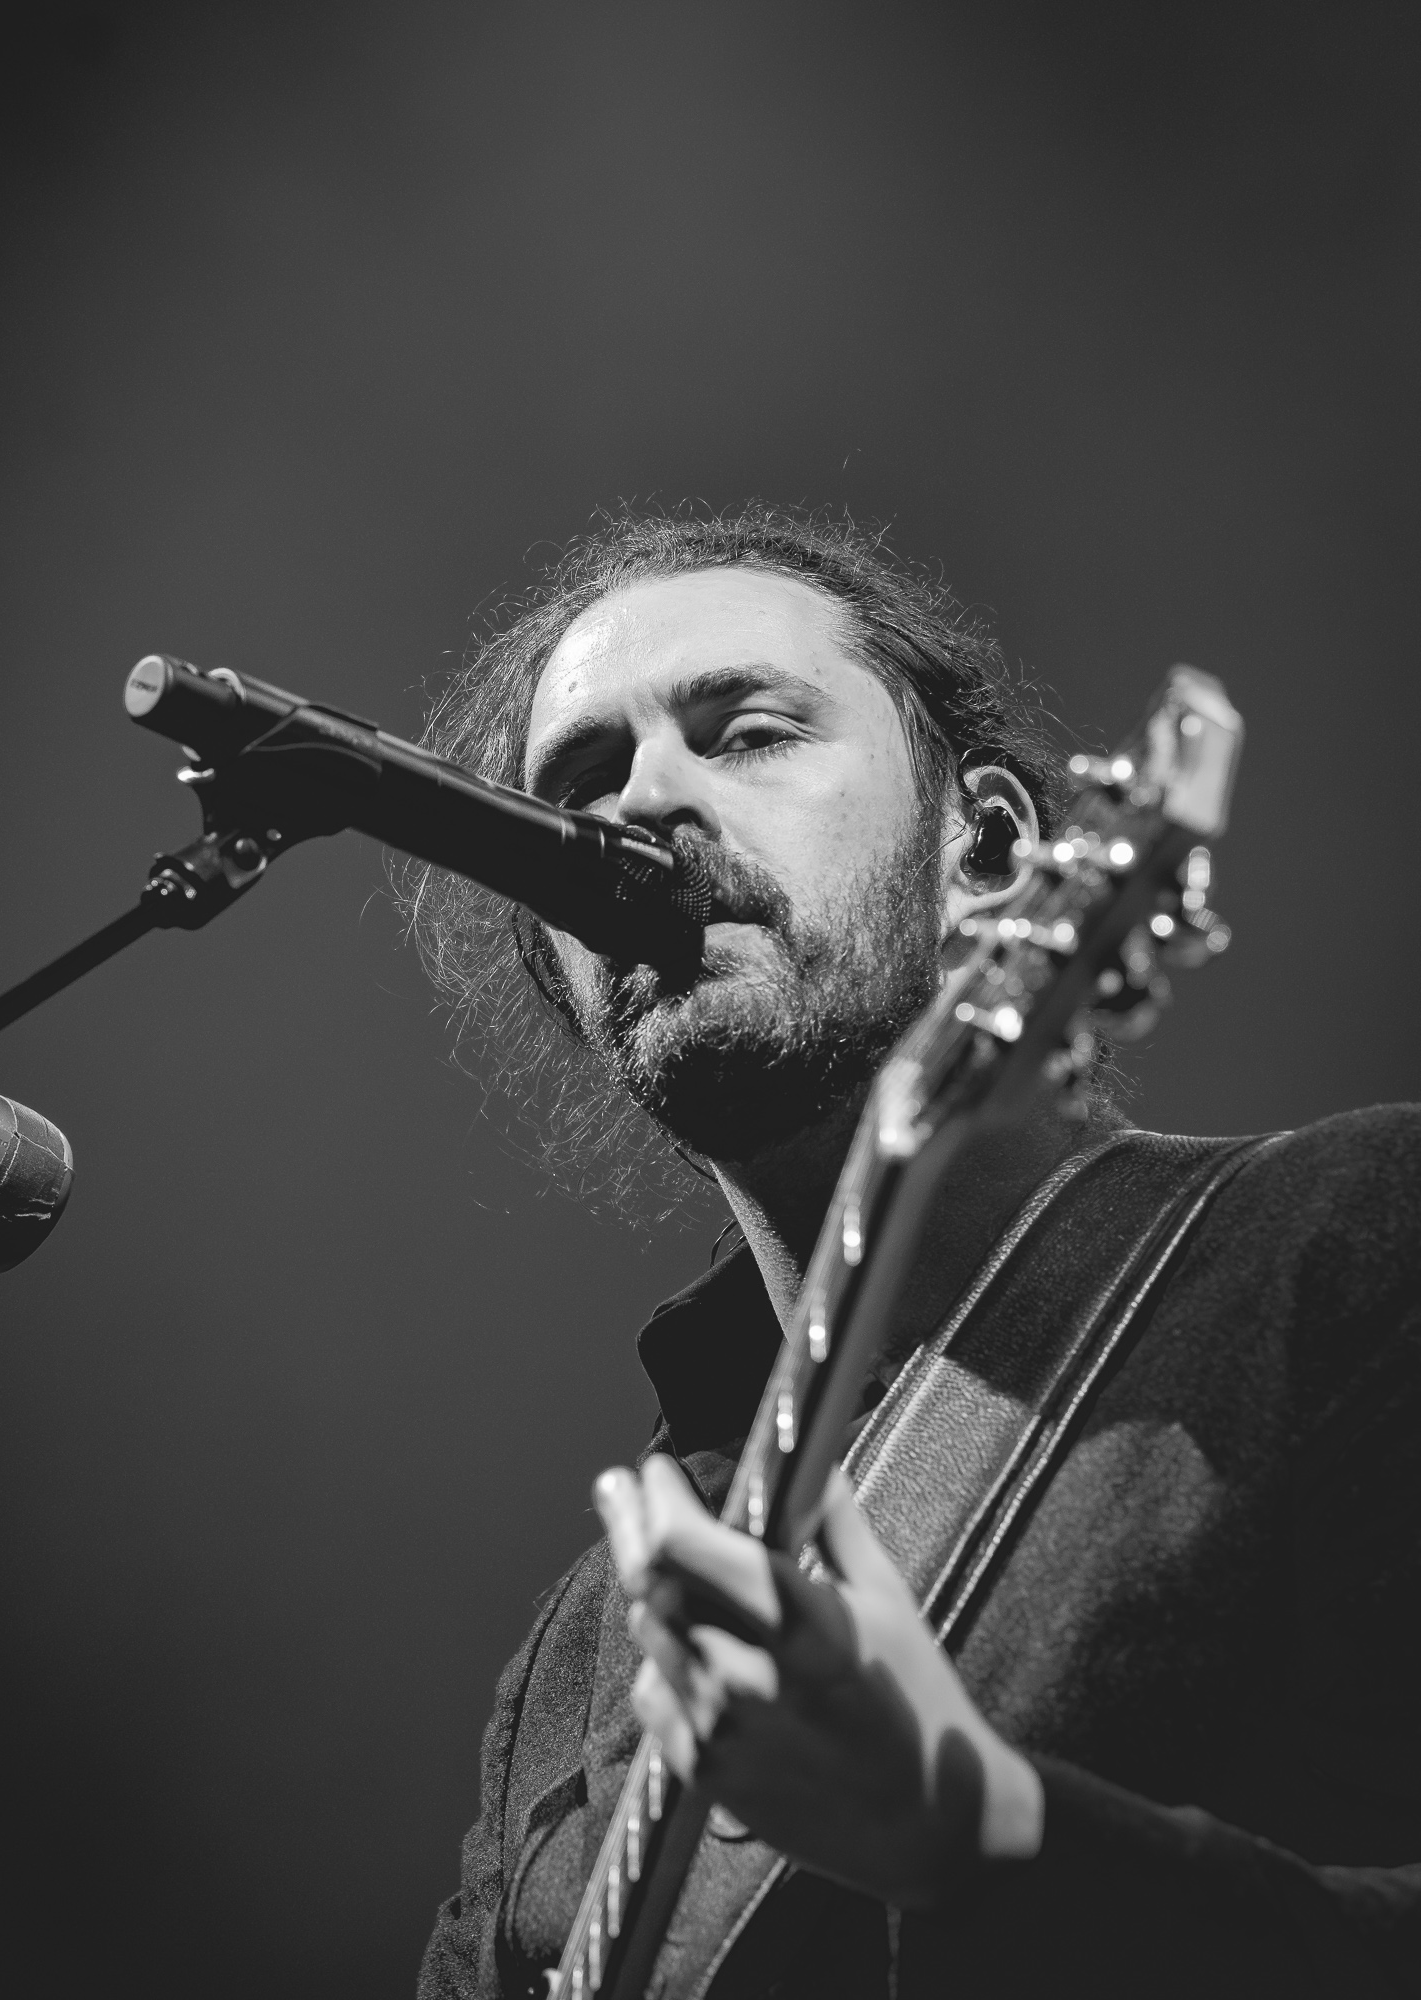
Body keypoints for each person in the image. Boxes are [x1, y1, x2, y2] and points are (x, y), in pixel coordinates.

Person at [408, 508, 1420, 1997]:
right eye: (580, 785)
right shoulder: (577, 1659)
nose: (641, 806)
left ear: (991, 852)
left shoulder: (1355, 1245)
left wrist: (985, 1835)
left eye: (746, 731)